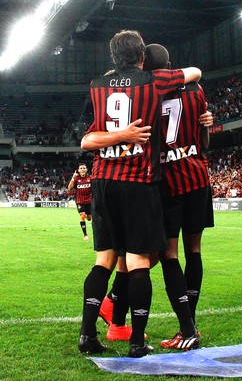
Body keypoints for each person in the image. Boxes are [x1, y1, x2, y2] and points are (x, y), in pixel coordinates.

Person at [77, 29, 202, 358]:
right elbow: (194, 73)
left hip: (103, 180)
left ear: (113, 57)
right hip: (138, 180)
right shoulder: (153, 82)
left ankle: (89, 335)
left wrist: (116, 134)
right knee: (138, 261)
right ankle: (137, 340)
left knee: (104, 260)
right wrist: (128, 134)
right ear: (142, 57)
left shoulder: (98, 87)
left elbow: (87, 142)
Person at [144, 43, 214, 350]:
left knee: (169, 254)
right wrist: (206, 122)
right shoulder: (197, 91)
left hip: (169, 182)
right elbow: (204, 140)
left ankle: (186, 329)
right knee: (194, 250)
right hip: (198, 176)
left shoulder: (148, 93)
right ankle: (191, 323)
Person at [67, 163, 92, 240]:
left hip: (89, 200)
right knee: (82, 215)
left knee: (89, 217)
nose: (82, 169)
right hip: (80, 201)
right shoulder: (76, 178)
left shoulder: (90, 178)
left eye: (84, 168)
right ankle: (85, 235)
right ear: (78, 170)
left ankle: (88, 216)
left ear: (86, 169)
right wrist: (72, 178)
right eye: (81, 168)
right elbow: (69, 188)